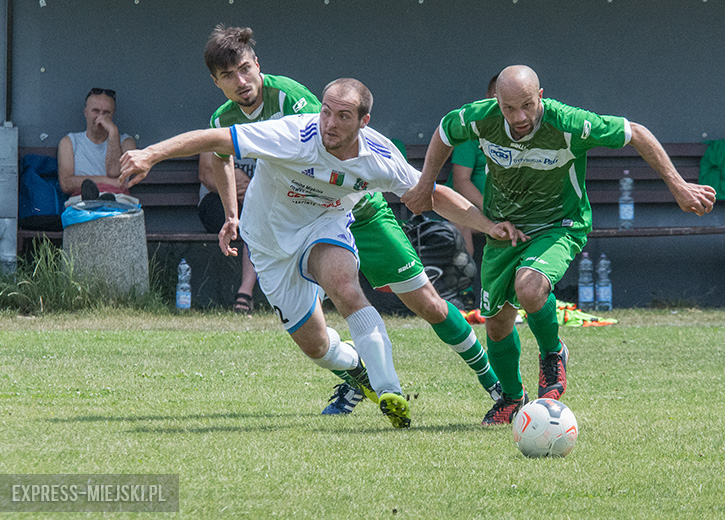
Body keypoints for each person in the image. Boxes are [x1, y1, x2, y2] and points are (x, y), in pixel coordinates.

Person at [120, 78, 522, 429]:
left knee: (347, 288)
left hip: (325, 227)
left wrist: (488, 226)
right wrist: (151, 154)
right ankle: (358, 371)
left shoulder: (379, 157)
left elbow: (431, 194)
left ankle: (391, 390)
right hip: (269, 244)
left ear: (363, 122)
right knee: (315, 346)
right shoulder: (295, 134)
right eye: (326, 112)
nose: (329, 123)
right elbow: (216, 140)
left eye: (343, 116)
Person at [195, 25, 511, 417]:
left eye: (245, 69)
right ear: (216, 82)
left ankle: (495, 384)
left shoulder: (291, 98)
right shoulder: (223, 118)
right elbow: (221, 158)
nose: (241, 82)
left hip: (361, 213)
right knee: (316, 338)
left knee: (430, 304)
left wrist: (486, 225)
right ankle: (362, 379)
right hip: (307, 223)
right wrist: (231, 214)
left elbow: (335, 149)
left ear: (257, 64)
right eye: (228, 76)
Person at [403, 65, 717, 425]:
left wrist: (679, 186)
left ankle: (553, 353)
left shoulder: (569, 123)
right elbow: (445, 131)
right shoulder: (482, 118)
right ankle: (512, 398)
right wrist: (425, 184)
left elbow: (636, 133)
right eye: (509, 108)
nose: (519, 117)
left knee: (529, 287)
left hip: (559, 225)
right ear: (496, 102)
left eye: (527, 105)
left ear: (540, 96)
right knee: (497, 323)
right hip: (505, 229)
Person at [444, 74, 498, 258]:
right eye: (496, 97)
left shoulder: (520, 133)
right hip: (472, 209)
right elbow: (461, 181)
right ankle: (465, 275)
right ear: (487, 97)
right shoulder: (471, 131)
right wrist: (488, 210)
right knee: (461, 224)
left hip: (506, 211)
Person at [197, 152, 257, 314]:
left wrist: (253, 190)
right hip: (216, 200)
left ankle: (245, 292)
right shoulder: (215, 135)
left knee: (259, 215)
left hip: (257, 198)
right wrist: (231, 185)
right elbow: (205, 174)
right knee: (257, 217)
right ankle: (245, 295)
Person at [58, 88, 136, 201]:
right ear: (85, 112)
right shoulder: (69, 142)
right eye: (95, 111)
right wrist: (106, 181)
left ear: (113, 115)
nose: (100, 117)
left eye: (106, 113)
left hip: (118, 199)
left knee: (114, 203)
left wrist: (113, 132)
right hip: (82, 201)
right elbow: (66, 184)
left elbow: (114, 172)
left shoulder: (126, 142)